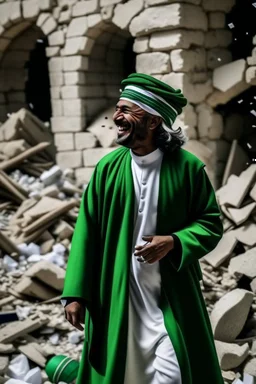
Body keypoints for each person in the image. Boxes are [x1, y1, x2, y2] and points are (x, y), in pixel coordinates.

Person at [61, 73, 224, 384]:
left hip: (169, 296)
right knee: (123, 372)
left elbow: (210, 222)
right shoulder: (107, 169)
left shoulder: (188, 169)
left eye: (127, 110)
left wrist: (175, 241)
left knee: (175, 373)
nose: (117, 117)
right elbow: (87, 232)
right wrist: (75, 294)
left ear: (152, 121)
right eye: (118, 108)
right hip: (117, 293)